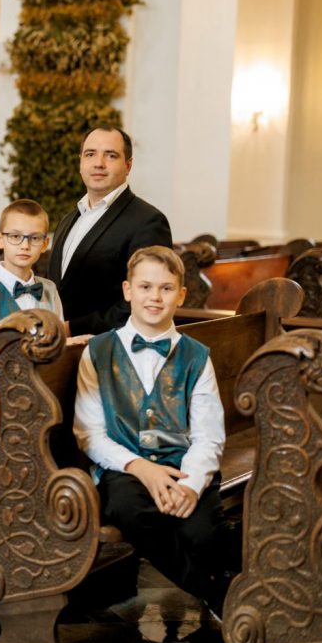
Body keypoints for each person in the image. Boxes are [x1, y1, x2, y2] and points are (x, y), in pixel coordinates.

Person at [73, 246, 234, 615]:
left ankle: (241, 584)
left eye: (166, 288)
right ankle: (218, 593)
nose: (155, 297)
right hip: (124, 466)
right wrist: (142, 468)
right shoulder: (97, 351)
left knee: (202, 532)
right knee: (129, 509)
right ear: (128, 290)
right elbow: (89, 434)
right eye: (145, 287)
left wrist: (190, 486)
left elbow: (209, 435)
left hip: (184, 464)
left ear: (181, 295)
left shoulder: (197, 356)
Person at [0, 199, 66, 491]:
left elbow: (57, 345)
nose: (25, 245)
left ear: (45, 244)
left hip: (39, 401)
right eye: (15, 236)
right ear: (0, 239)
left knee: (38, 479)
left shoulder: (49, 290)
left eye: (34, 238)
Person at [47, 125, 172, 335]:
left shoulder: (149, 222)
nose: (98, 163)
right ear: (80, 162)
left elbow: (144, 301)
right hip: (56, 346)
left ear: (128, 165)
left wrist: (71, 329)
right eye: (90, 154)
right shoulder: (67, 219)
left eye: (111, 155)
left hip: (107, 348)